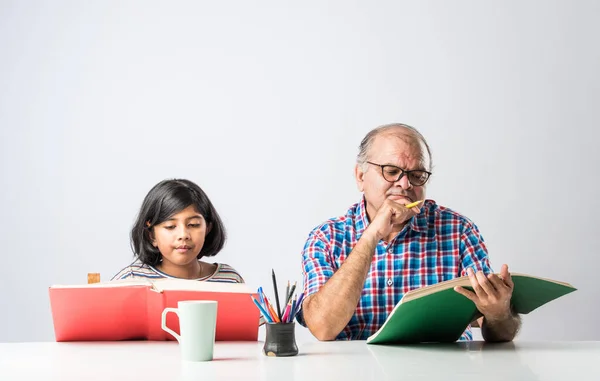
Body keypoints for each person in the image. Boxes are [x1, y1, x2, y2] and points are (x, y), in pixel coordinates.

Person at [297, 123, 521, 342]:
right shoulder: (326, 238)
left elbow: (499, 333)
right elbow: (322, 327)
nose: (405, 184)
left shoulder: (458, 231)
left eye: (416, 175)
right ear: (360, 177)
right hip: (355, 377)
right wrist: (371, 235)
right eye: (391, 171)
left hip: (441, 374)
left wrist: (498, 313)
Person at [111, 178, 244, 283]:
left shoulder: (230, 280)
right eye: (170, 226)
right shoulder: (132, 279)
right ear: (151, 234)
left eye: (193, 224)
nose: (183, 235)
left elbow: (257, 318)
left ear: (208, 228)